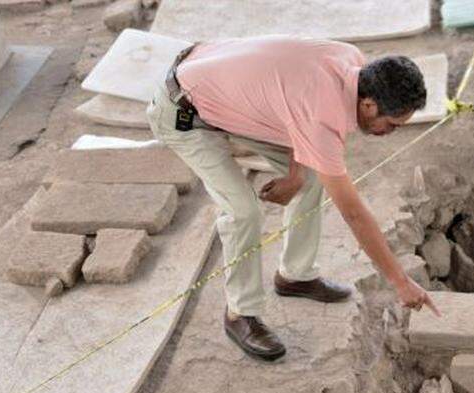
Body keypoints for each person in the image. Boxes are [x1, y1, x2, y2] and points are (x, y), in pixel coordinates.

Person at [148, 36, 438, 361]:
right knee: (243, 211)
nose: (390, 133)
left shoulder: (352, 61)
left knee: (312, 178)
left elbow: (294, 108)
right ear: (369, 105)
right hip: (183, 111)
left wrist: (295, 175)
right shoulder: (322, 114)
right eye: (392, 124)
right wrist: (400, 282)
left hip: (222, 89)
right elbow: (354, 214)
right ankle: (240, 314)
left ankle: (295, 276)